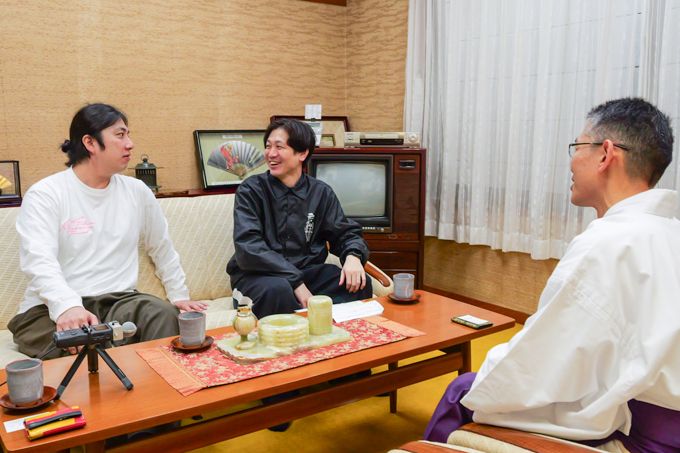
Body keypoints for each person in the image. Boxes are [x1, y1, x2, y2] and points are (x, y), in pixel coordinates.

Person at [425, 98, 680, 452]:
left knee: (462, 391)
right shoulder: (669, 230)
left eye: (578, 146)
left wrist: (491, 372)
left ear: (606, 154)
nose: (572, 162)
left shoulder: (608, 242)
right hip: (658, 409)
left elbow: (539, 363)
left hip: (638, 429)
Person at [9, 103, 206, 359]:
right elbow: (39, 260)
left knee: (163, 314)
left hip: (119, 302)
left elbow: (161, 246)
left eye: (128, 135)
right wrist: (67, 306)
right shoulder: (46, 194)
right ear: (90, 142)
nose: (130, 144)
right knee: (81, 346)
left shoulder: (137, 191)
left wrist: (179, 295)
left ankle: (163, 383)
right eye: (120, 135)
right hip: (47, 309)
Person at [227, 118, 372, 319]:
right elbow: (249, 248)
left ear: (302, 153)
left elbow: (345, 233)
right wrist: (296, 282)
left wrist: (354, 256)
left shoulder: (321, 192)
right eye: (268, 146)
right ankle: (294, 338)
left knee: (357, 283)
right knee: (278, 290)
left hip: (307, 272)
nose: (271, 154)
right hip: (259, 277)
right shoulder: (251, 190)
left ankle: (338, 336)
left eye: (279, 147)